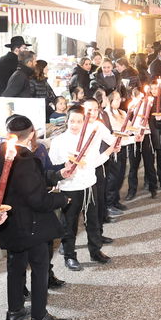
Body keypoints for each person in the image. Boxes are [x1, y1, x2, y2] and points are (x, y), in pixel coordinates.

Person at [0, 115, 70, 320]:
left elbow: (28, 181)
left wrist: (56, 175)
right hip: (30, 224)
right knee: (39, 267)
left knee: (16, 265)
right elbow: (37, 198)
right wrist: (62, 199)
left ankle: (15, 309)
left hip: (10, 221)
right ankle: (39, 317)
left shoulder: (2, 151)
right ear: (32, 134)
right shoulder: (24, 158)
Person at [48, 105, 114, 270]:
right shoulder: (58, 141)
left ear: (84, 122)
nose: (75, 125)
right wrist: (63, 170)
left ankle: (95, 250)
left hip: (89, 185)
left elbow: (94, 161)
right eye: (72, 121)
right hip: (70, 187)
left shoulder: (89, 140)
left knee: (92, 220)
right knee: (69, 223)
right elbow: (52, 165)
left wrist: (109, 152)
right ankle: (69, 255)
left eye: (79, 121)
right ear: (67, 121)